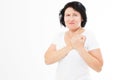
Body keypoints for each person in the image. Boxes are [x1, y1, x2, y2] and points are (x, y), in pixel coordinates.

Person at [44, 1, 103, 80]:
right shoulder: (59, 36)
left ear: (82, 18)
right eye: (67, 15)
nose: (71, 19)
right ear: (63, 18)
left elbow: (98, 67)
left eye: (75, 15)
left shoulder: (88, 35)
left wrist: (80, 48)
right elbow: (47, 60)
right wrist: (71, 46)